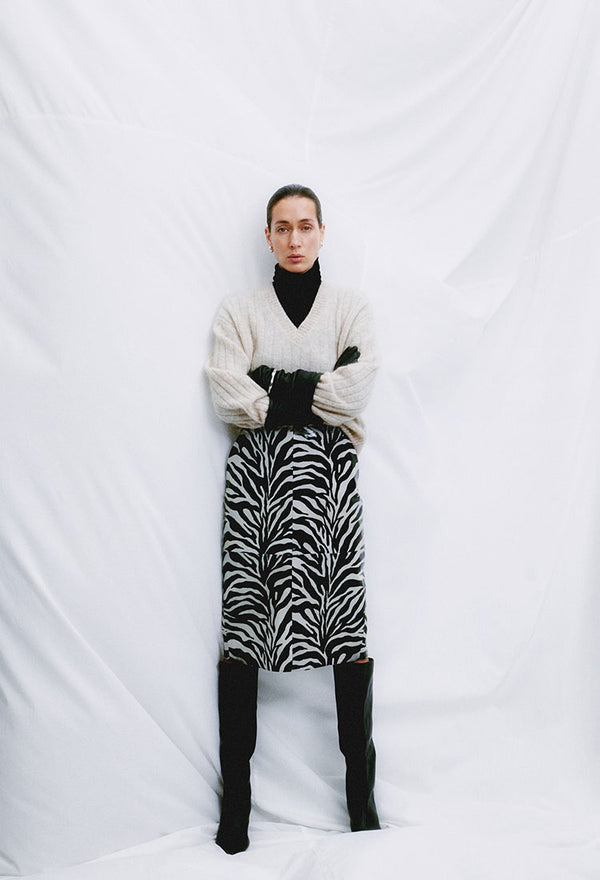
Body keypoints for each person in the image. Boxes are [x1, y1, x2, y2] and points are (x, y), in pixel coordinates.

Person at [206, 184, 380, 854]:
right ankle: (236, 809)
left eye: (306, 226)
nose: (295, 239)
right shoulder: (239, 310)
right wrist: (313, 388)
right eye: (283, 228)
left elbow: (356, 389)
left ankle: (362, 802)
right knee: (246, 624)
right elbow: (227, 392)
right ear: (269, 237)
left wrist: (270, 381)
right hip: (255, 485)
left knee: (345, 625)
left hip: (330, 483)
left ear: (322, 232)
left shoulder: (350, 308)